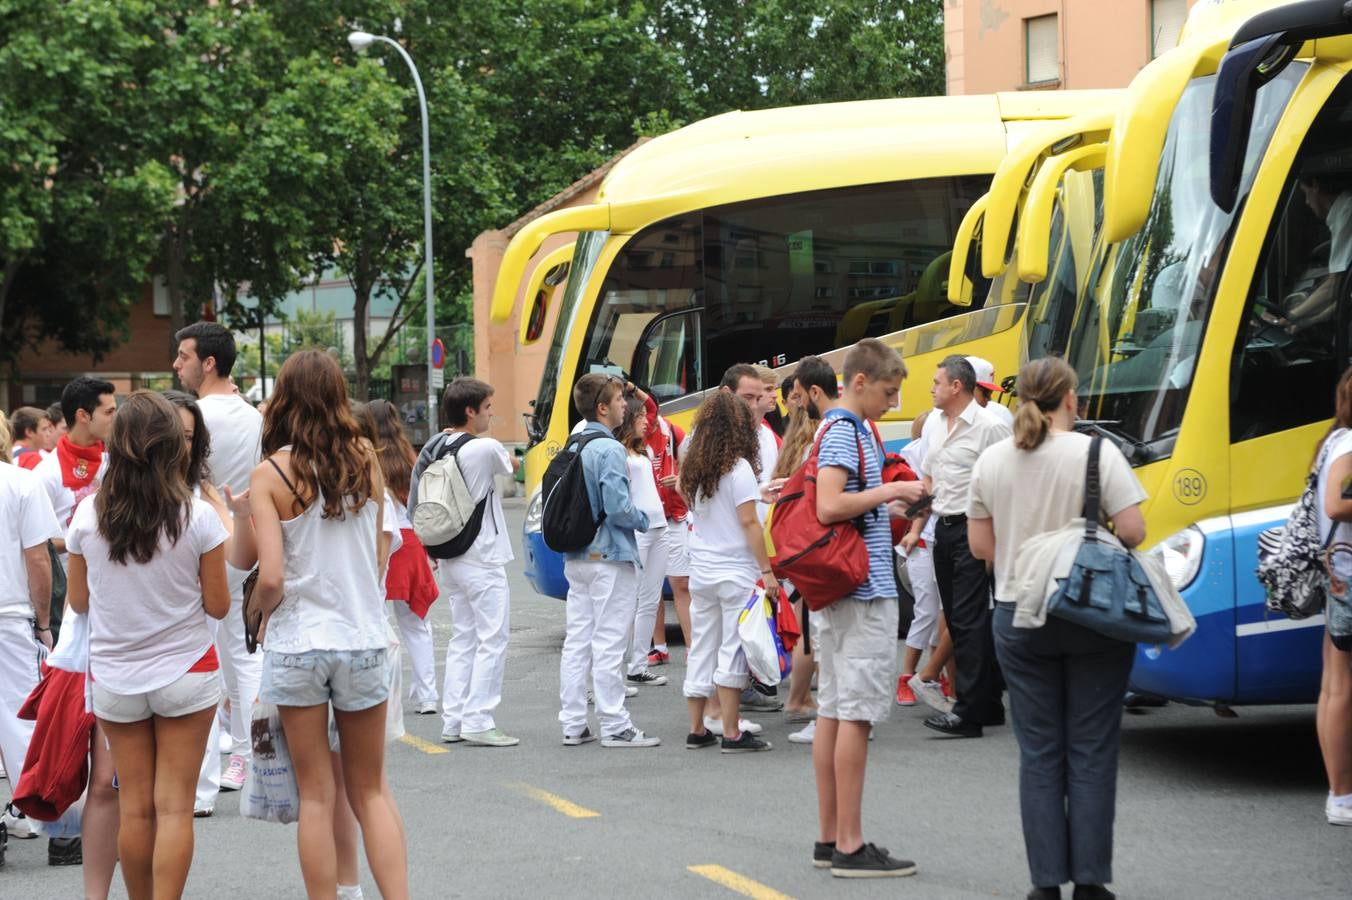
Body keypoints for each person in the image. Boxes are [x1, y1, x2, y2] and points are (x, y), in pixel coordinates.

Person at [968, 357, 1147, 900]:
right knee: (1092, 748)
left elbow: (980, 546)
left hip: (1019, 612)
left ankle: (1045, 883)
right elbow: (1134, 530)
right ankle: (1090, 882)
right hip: (1091, 611)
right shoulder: (1097, 453)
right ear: (1070, 398)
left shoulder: (992, 459)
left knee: (1040, 753)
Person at [247, 350, 409, 899]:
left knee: (317, 795)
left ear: (284, 399)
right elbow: (379, 555)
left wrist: (260, 615)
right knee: (371, 791)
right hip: (362, 636)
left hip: (299, 643)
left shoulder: (269, 475)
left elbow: (271, 577)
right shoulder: (367, 460)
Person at [64, 391, 233, 900]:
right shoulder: (197, 515)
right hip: (187, 671)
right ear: (171, 445)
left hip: (116, 678)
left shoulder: (88, 516)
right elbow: (218, 606)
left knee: (135, 807)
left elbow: (78, 602)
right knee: (175, 806)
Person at [811, 338, 924, 877]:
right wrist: (889, 493)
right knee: (855, 714)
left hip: (843, 592)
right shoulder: (846, 430)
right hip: (862, 590)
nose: (893, 403)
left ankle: (830, 837)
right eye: (888, 391)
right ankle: (850, 846)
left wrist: (888, 501)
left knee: (835, 710)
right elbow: (829, 504)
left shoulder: (834, 428)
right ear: (859, 382)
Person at [173, 321, 263, 793]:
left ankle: (203, 779)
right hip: (244, 540)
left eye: (183, 356)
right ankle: (249, 756)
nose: (176, 364)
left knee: (199, 660)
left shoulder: (189, 416)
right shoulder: (254, 417)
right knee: (241, 656)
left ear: (208, 363)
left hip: (197, 542)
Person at [412, 377, 519, 747]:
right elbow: (512, 466)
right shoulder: (485, 447)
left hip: (451, 554)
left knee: (464, 638)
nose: (491, 414)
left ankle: (454, 719)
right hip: (482, 555)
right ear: (470, 411)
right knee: (492, 638)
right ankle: (479, 719)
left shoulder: (436, 444)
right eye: (487, 407)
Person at [558, 373, 658, 748]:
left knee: (578, 641)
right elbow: (618, 508)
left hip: (577, 554)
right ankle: (615, 724)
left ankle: (573, 723)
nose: (624, 406)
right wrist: (643, 519)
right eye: (618, 400)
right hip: (609, 554)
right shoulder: (610, 449)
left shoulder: (574, 442)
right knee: (610, 640)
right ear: (603, 408)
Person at [919, 355, 1012, 738]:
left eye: (937, 382)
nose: (931, 388)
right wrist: (918, 510)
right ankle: (988, 704)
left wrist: (995, 537)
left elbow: (1009, 482)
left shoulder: (991, 427)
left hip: (975, 528)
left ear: (956, 386)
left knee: (970, 619)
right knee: (959, 619)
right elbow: (929, 477)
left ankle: (969, 712)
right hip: (943, 528)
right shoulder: (935, 424)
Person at [680, 391, 776, 753]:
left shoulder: (694, 469)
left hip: (701, 569)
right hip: (735, 570)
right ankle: (732, 732)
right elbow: (749, 523)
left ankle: (697, 729)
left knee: (702, 647)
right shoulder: (739, 469)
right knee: (732, 650)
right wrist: (767, 571)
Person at [0, 415, 62, 846]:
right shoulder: (20, 482)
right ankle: (28, 810)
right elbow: (38, 559)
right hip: (9, 613)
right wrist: (43, 622)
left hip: (10, 613)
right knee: (20, 718)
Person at [774, 355, 836, 743]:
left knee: (806, 626)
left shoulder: (790, 442)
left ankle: (800, 698)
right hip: (814, 544)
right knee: (814, 631)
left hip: (795, 544)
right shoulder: (819, 440)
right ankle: (802, 700)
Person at [368, 398, 439, 716]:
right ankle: (427, 695)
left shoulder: (365, 457)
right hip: (410, 541)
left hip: (376, 542)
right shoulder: (410, 457)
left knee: (375, 622)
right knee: (416, 624)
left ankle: (383, 695)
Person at [1315, 366, 1352, 828]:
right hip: (1347, 576)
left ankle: (1337, 792)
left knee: (1332, 685)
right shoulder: (1349, 445)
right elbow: (1335, 505)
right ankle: (1342, 795)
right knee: (1340, 687)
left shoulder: (1334, 440)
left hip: (1337, 574)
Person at [616, 391, 670, 689]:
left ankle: (638, 666)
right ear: (628, 419)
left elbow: (652, 408)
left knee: (650, 598)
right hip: (638, 529)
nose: (646, 422)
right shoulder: (619, 453)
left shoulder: (643, 450)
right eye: (639, 418)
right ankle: (616, 670)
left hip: (659, 526)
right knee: (628, 600)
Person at [896, 409, 949, 708]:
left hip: (943, 539)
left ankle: (936, 674)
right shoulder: (914, 454)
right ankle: (907, 676)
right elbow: (921, 498)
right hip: (924, 542)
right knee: (927, 611)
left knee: (944, 612)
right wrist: (916, 530)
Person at [35, 376, 116, 542]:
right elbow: (35, 540)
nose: (116, 418)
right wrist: (80, 542)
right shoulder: (46, 473)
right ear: (83, 416)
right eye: (109, 412)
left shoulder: (114, 464)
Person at [966, 356, 1014, 428]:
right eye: (985, 392)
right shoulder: (948, 416)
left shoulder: (1000, 414)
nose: (989, 398)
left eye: (990, 392)